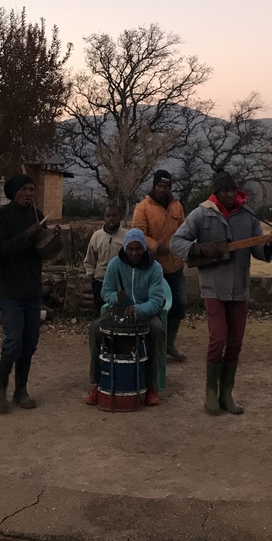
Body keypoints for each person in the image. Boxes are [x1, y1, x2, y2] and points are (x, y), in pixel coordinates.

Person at [170, 168, 272, 415]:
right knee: (217, 339)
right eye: (225, 190)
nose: (230, 194)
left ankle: (226, 394)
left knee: (235, 343)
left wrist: (269, 244)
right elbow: (176, 242)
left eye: (233, 190)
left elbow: (258, 252)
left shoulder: (249, 216)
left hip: (239, 288)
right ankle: (210, 394)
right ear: (216, 192)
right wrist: (200, 250)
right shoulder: (201, 214)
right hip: (212, 287)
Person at [0, 173, 61, 414]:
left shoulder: (37, 215)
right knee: (13, 341)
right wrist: (27, 236)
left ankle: (21, 390)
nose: (29, 193)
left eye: (32, 189)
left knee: (30, 342)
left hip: (32, 287)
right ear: (14, 192)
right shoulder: (1, 216)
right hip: (10, 288)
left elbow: (42, 252)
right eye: (25, 189)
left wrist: (53, 240)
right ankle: (0, 389)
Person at [85, 228, 166, 407]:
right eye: (130, 248)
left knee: (156, 331)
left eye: (138, 249)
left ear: (144, 248)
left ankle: (151, 385)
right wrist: (116, 298)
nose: (134, 253)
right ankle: (99, 384)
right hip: (118, 310)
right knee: (96, 329)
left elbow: (156, 301)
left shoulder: (155, 268)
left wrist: (137, 309)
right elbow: (105, 291)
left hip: (144, 312)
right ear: (125, 248)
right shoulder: (115, 264)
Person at [132, 170, 188, 361]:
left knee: (179, 305)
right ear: (154, 186)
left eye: (166, 186)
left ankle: (168, 344)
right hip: (152, 267)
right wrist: (155, 246)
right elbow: (138, 234)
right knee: (153, 307)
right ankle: (150, 346)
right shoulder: (142, 207)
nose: (162, 190)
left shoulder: (177, 206)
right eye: (159, 186)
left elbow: (185, 230)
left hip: (175, 266)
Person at [83, 203, 127, 311]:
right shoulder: (97, 236)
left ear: (120, 217)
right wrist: (91, 276)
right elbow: (90, 259)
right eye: (108, 216)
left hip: (120, 283)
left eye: (114, 215)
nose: (111, 219)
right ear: (104, 217)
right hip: (100, 282)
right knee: (101, 313)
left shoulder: (127, 236)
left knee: (120, 313)